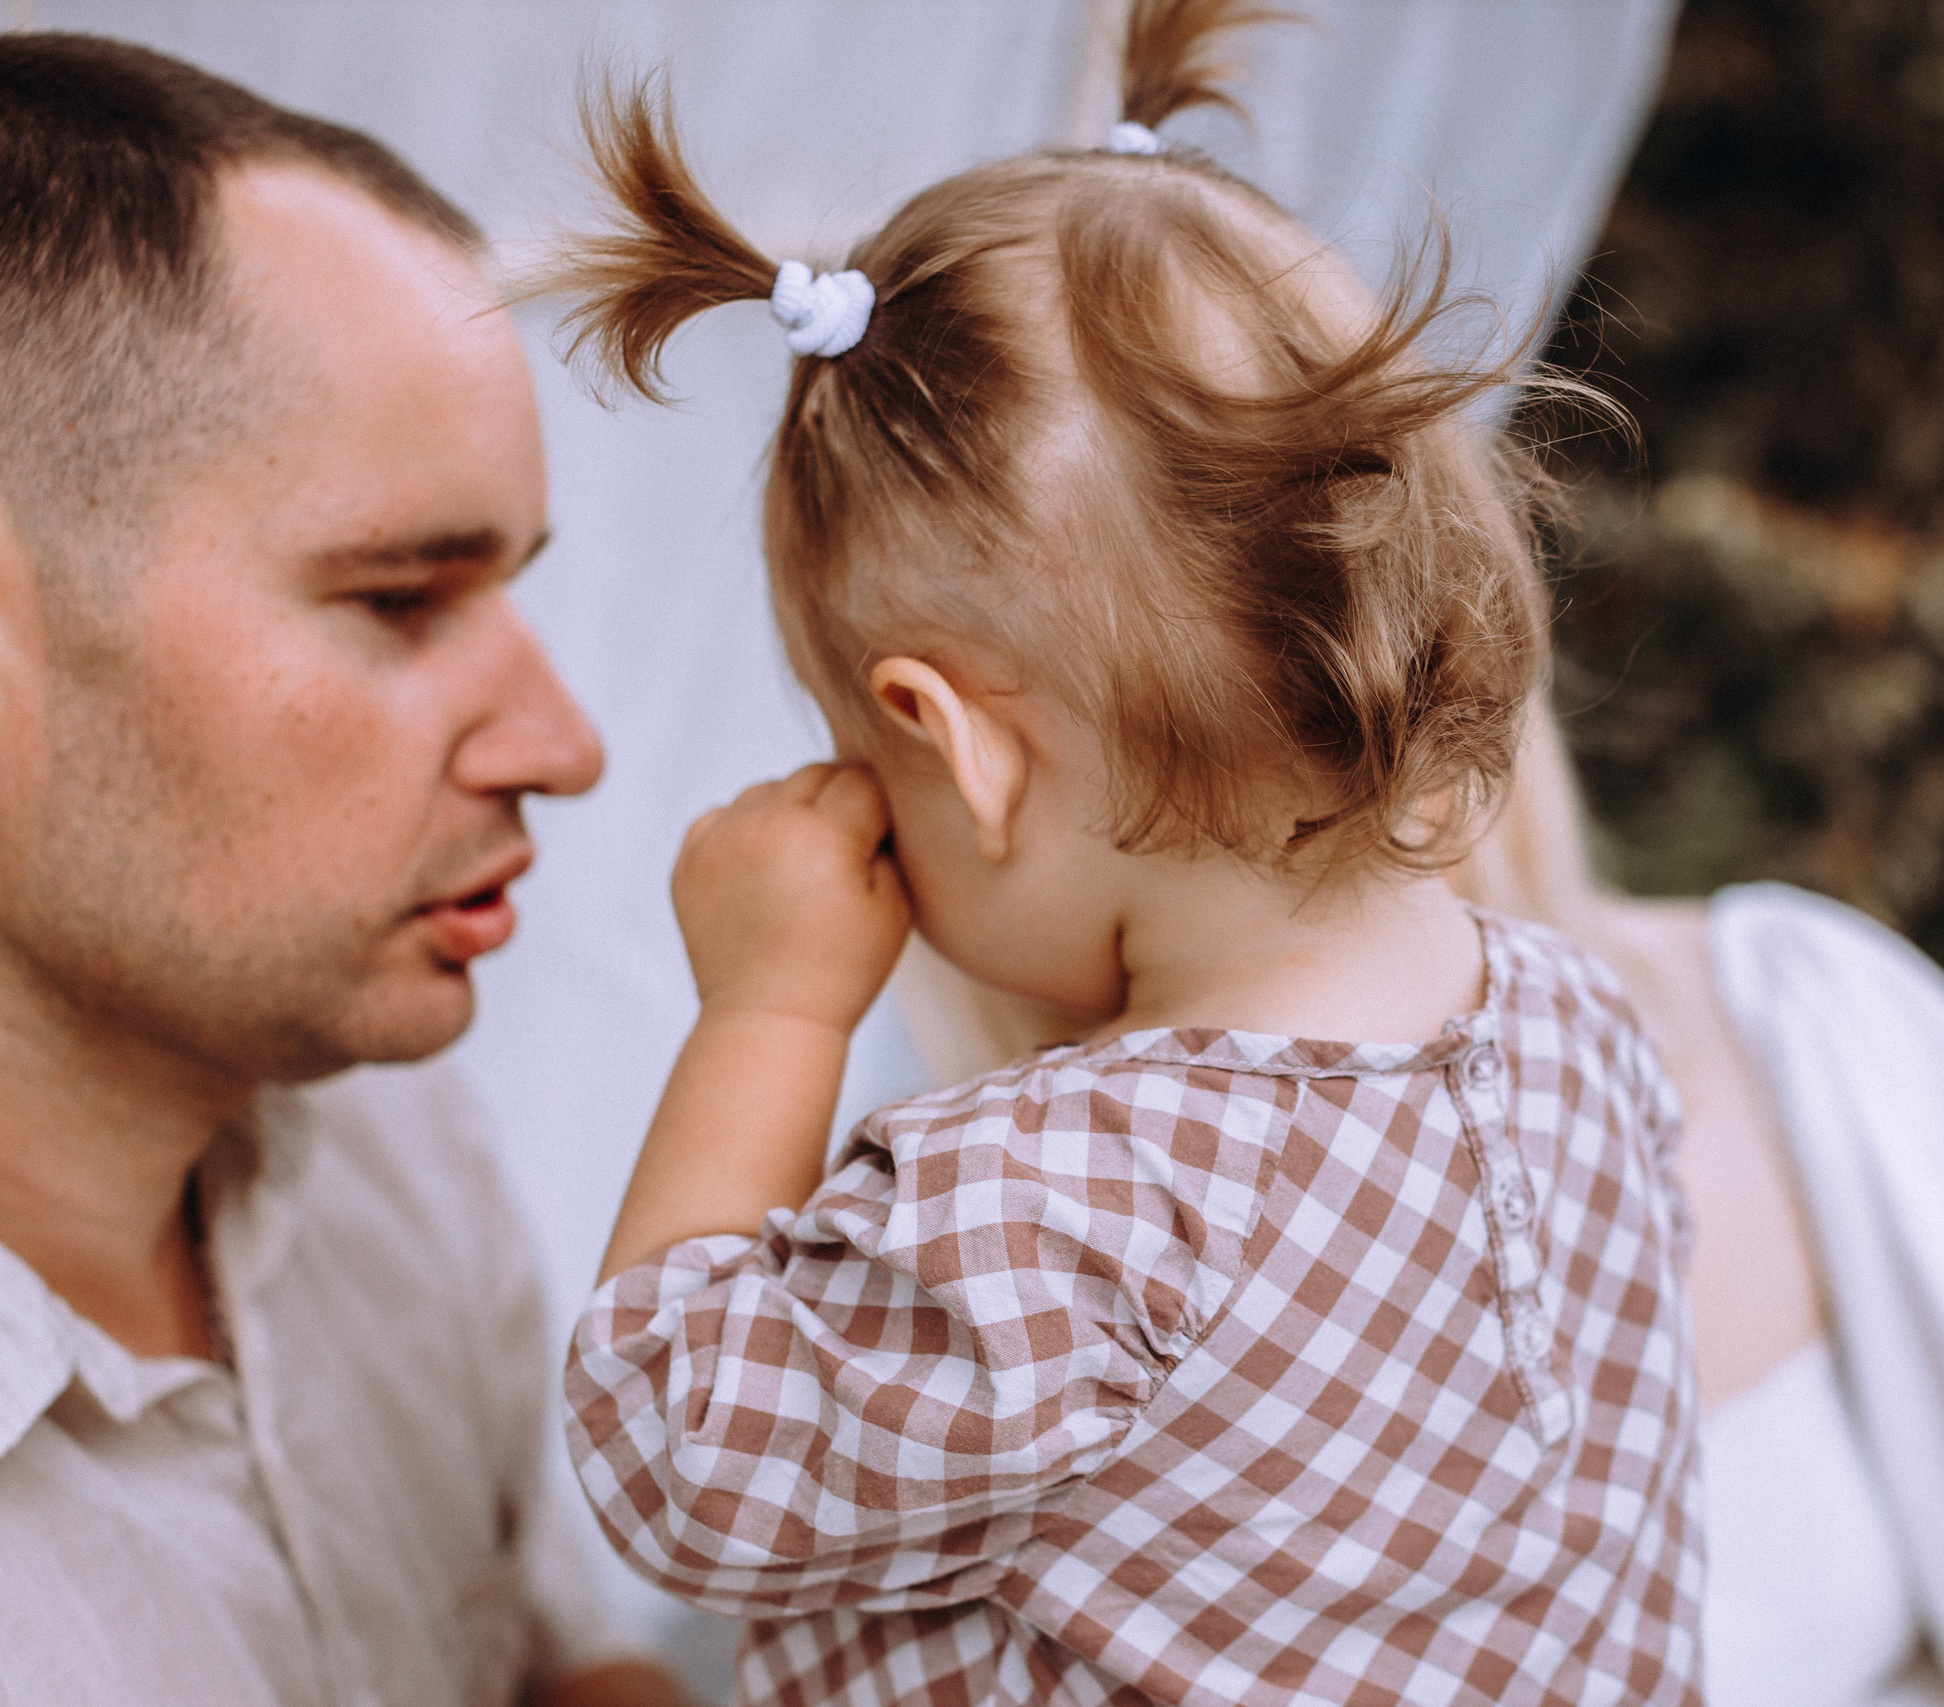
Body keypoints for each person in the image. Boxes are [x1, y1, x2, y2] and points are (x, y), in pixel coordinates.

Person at [544, 3, 1704, 1703]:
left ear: (955, 746)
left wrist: (769, 1012)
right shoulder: (1587, 1052)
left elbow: (673, 1451)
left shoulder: (1068, 1210)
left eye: (855, 752)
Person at [0, 34, 692, 1707]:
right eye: (399, 598)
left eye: (511, 585)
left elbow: (557, 1670)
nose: (562, 742)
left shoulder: (381, 1128)